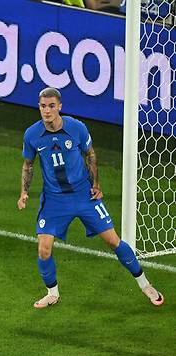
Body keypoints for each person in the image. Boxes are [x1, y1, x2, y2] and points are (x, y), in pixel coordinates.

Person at [18, 87, 164, 309]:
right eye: (42, 106)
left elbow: (91, 154)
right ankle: (52, 293)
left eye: (51, 106)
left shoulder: (76, 128)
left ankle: (146, 285)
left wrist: (96, 184)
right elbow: (28, 165)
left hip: (84, 195)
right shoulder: (31, 135)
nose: (46, 111)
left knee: (113, 241)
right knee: (44, 249)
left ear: (59, 107)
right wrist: (24, 192)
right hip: (55, 200)